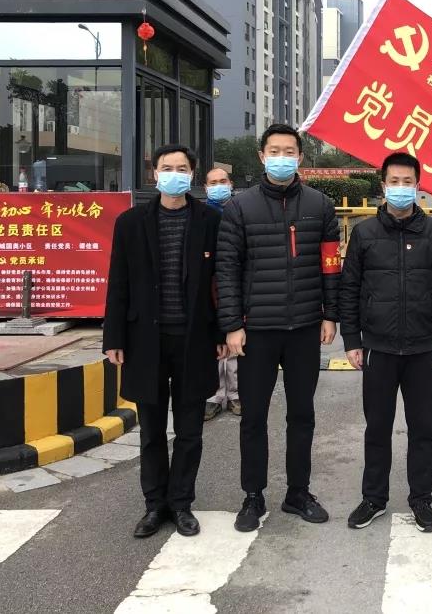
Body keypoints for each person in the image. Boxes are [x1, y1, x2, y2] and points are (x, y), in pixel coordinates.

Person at [216, 124, 342, 533]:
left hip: (305, 327)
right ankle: (253, 495)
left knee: (302, 414)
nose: (282, 157)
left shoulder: (320, 205)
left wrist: (330, 315)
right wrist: (232, 325)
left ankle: (298, 492)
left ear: (300, 157)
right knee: (253, 416)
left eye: (290, 151)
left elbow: (330, 265)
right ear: (262, 156)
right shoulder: (240, 207)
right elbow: (227, 269)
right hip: (257, 330)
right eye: (275, 151)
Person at [103, 144, 223, 539]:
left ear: (192, 174)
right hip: (145, 341)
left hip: (194, 339)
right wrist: (114, 337)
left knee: (190, 431)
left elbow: (220, 282)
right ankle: (155, 505)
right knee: (151, 431)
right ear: (154, 174)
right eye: (167, 168)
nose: (174, 174)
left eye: (182, 168)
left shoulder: (210, 220)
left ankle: (181, 503)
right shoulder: (131, 222)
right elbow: (118, 282)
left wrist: (221, 332)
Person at [340, 153, 432, 532]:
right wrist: (352, 339)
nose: (401, 188)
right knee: (377, 427)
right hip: (378, 347)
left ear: (418, 185)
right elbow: (349, 289)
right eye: (395, 181)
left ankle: (421, 498)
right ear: (383, 185)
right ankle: (373, 498)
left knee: (423, 428)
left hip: (424, 347)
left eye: (408, 181)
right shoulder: (364, 233)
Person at [203, 167, 240, 422]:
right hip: (209, 284)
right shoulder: (201, 216)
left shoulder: (240, 211)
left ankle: (236, 394)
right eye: (213, 182)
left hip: (236, 283)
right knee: (212, 343)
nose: (219, 186)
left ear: (231, 183)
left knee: (236, 342)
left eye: (223, 181)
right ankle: (214, 395)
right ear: (206, 188)